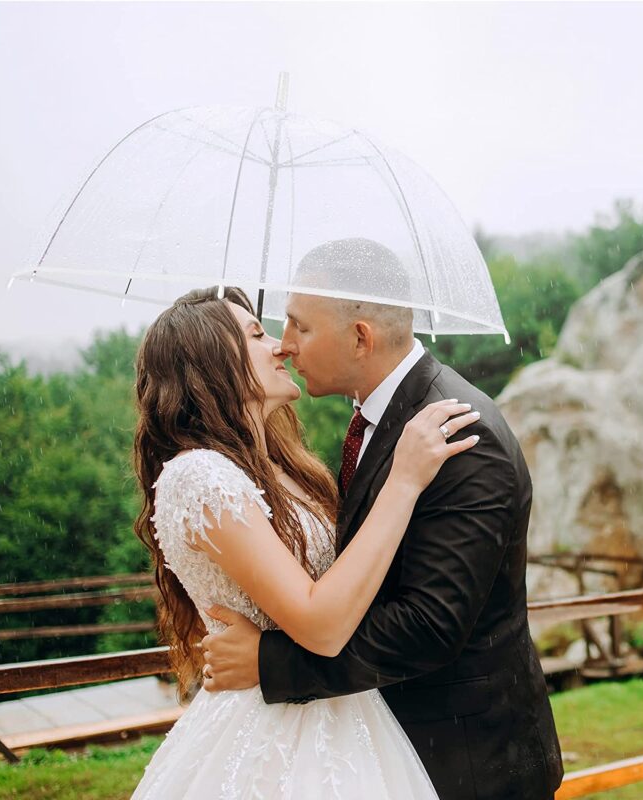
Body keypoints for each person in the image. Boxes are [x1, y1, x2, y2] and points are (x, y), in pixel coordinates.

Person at [200, 239, 564, 800]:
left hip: (469, 761)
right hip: (389, 749)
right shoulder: (375, 419)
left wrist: (270, 663)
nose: (286, 345)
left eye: (300, 327)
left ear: (360, 338)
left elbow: (429, 626)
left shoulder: (461, 437)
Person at [130, 284, 479, 799]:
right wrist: (403, 480)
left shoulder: (283, 465)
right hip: (266, 731)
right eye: (256, 333)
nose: (281, 346)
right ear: (209, 362)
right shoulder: (200, 475)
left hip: (343, 709)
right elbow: (320, 624)